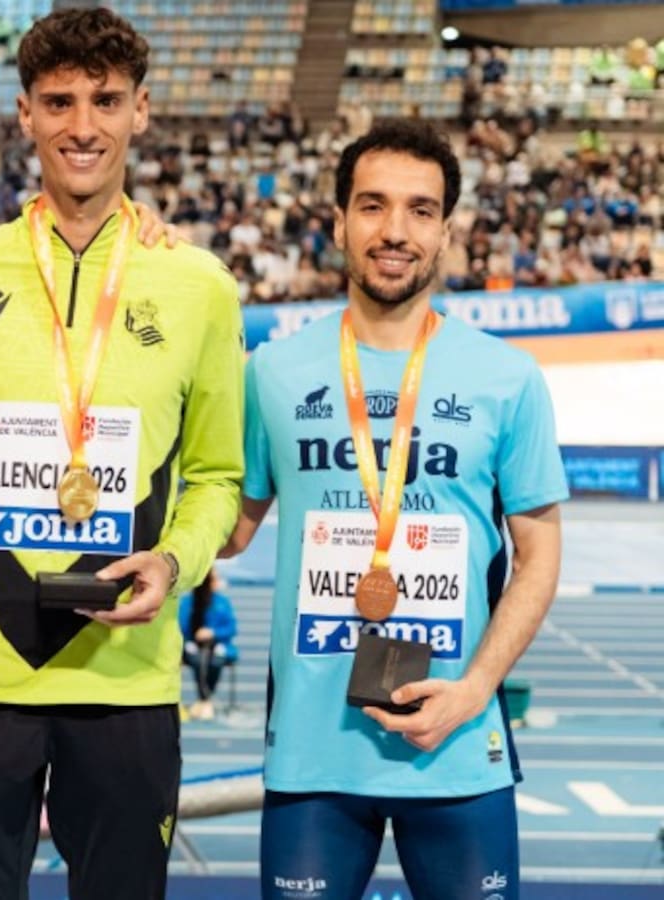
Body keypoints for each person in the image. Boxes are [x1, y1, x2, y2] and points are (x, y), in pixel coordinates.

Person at [0, 9, 244, 899]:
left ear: (141, 111)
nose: (83, 126)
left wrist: (177, 563)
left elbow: (219, 476)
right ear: (24, 114)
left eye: (105, 101)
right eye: (59, 101)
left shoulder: (199, 287)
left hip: (127, 678)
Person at [223, 119, 568, 900]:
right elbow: (230, 528)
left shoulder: (507, 378)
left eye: (420, 210)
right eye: (373, 206)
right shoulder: (272, 372)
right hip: (313, 754)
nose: (395, 230)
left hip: (457, 742)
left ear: (445, 231)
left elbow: (540, 556)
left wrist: (476, 689)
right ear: (338, 221)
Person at [177, 568, 238, 720]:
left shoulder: (222, 602)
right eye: (213, 579)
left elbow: (231, 628)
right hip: (192, 645)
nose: (217, 582)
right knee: (198, 660)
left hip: (218, 645)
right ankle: (205, 700)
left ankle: (204, 700)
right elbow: (179, 628)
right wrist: (192, 638)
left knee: (216, 661)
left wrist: (213, 633)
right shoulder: (187, 602)